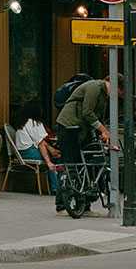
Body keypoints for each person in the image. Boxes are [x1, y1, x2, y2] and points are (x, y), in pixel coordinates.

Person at [54, 73, 119, 210]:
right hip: (69, 126)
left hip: (83, 130)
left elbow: (98, 117)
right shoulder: (94, 87)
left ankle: (84, 204)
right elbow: (87, 112)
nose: (118, 96)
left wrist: (100, 133)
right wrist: (103, 130)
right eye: (119, 92)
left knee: (87, 163)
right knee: (71, 163)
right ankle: (62, 205)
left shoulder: (104, 96)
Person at [15, 99, 62, 191]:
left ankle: (56, 186)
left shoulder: (24, 122)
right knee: (56, 158)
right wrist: (48, 161)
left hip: (22, 152)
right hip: (30, 152)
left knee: (54, 155)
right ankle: (57, 187)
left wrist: (51, 150)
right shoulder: (34, 123)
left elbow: (40, 141)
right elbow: (40, 144)